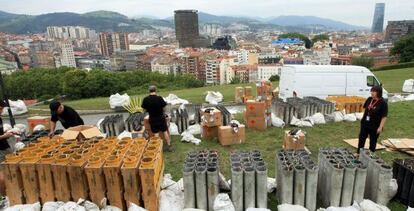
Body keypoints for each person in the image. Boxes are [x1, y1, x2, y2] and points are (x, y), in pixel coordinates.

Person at [141, 85, 173, 152]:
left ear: (149, 91)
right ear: (156, 90)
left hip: (152, 118)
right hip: (161, 118)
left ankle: (158, 148)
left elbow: (144, 109)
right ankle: (169, 145)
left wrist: (148, 110)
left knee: (156, 134)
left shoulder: (146, 99)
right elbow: (164, 107)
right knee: (165, 131)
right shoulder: (159, 98)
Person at [358, 86, 388, 153]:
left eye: (374, 91)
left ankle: (371, 155)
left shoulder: (383, 103)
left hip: (375, 125)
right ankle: (358, 153)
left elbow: (384, 116)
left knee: (373, 141)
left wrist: (380, 127)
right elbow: (365, 109)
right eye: (371, 91)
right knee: (361, 138)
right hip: (365, 123)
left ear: (379, 92)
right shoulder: (369, 99)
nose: (372, 93)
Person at [0, 100, 14, 195]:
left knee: (12, 167)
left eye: (2, 108)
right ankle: (3, 195)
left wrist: (7, 133)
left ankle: (12, 189)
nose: (1, 110)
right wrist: (5, 136)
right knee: (2, 175)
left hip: (4, 146)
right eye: (0, 108)